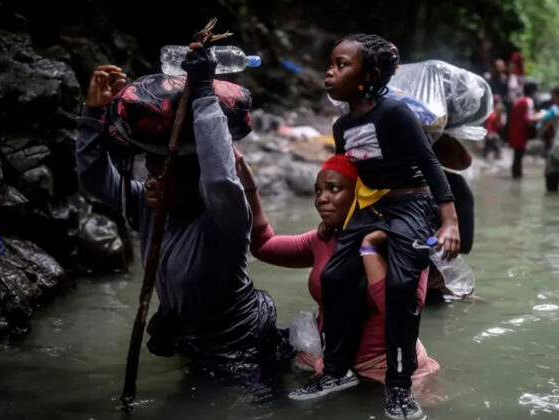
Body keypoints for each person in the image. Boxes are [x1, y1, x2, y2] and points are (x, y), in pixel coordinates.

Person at [76, 51, 285, 383]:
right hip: (190, 337)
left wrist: (203, 92)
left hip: (240, 341)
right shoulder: (146, 204)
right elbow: (93, 178)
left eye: (164, 173)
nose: (152, 180)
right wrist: (93, 113)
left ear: (194, 181)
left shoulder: (224, 218)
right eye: (150, 171)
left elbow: (219, 177)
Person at [289, 34, 460, 420]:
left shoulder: (395, 113)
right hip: (375, 207)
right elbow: (345, 176)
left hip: (413, 204)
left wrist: (449, 220)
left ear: (370, 74)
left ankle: (399, 388)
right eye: (330, 64)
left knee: (401, 286)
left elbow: (431, 165)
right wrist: (336, 218)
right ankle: (336, 371)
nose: (329, 72)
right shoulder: (341, 125)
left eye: (341, 65)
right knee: (334, 276)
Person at [235, 152, 440, 385]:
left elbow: (401, 312)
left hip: (387, 373)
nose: (321, 198)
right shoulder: (323, 239)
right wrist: (249, 187)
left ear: (361, 195)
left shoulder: (401, 240)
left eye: (333, 189)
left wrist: (369, 248)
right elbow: (263, 246)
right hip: (333, 367)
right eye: (318, 191)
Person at [507, 80, 540, 179]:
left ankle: (516, 177)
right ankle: (517, 177)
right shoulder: (528, 101)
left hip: (514, 132)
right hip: (521, 133)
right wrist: (542, 116)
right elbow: (528, 119)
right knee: (518, 158)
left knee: (517, 158)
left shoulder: (519, 100)